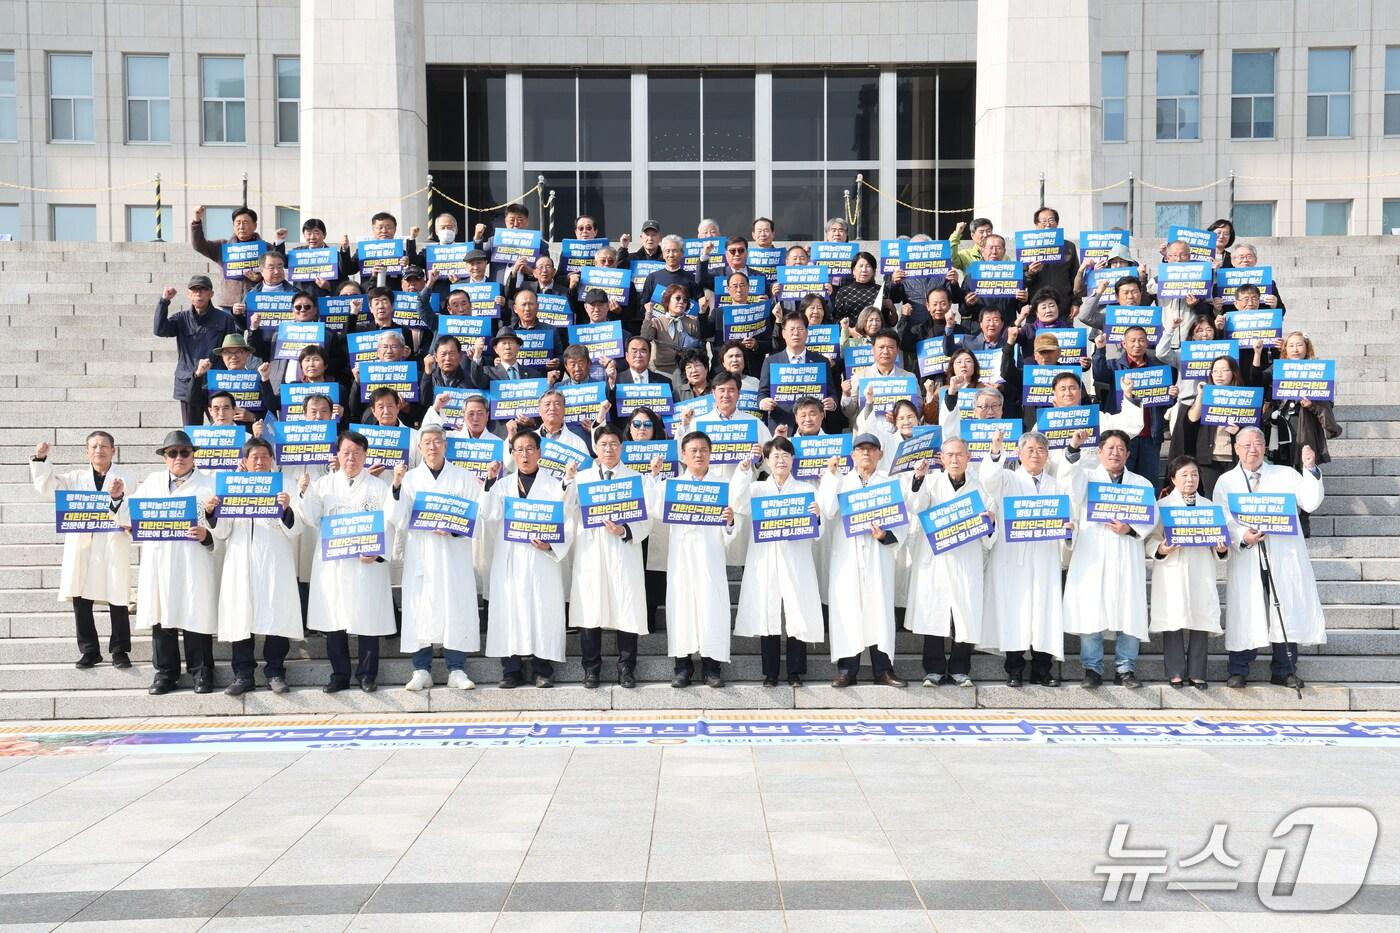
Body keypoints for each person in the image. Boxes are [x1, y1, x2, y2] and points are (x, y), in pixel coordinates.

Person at [1216, 428, 1327, 689]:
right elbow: (1224, 518)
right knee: (1246, 608)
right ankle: (1239, 669)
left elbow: (1310, 502)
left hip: (1283, 553)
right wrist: (1243, 535)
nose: (1252, 449)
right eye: (1246, 445)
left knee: (1285, 605)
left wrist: (1310, 469)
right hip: (1248, 553)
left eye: (1257, 444)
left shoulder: (1286, 474)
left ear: (1265, 447)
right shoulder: (1226, 481)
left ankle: (1284, 669)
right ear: (1236, 449)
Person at [390, 425, 491, 692]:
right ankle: (421, 669)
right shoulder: (410, 479)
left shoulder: (463, 477)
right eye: (427, 443)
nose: (433, 447)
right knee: (420, 611)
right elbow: (398, 518)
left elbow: (476, 516)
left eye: (437, 442)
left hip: (453, 555)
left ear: (445, 445)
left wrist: (454, 527)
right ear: (420, 448)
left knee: (454, 609)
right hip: (422, 555)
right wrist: (397, 485)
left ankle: (456, 669)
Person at [120, 430, 219, 695]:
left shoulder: (209, 484)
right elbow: (130, 513)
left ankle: (202, 672)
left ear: (193, 455)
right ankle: (165, 673)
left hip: (193, 559)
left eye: (184, 452)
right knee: (161, 615)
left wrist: (208, 534)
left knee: (195, 613)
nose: (179, 458)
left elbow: (225, 527)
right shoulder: (152, 482)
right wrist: (121, 504)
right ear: (164, 458)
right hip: (160, 559)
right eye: (172, 453)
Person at [296, 430, 396, 693]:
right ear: (337, 455)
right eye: (346, 452)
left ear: (365, 455)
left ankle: (367, 675)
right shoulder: (324, 485)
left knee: (368, 618)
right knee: (334, 619)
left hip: (366, 563)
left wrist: (378, 551)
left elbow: (389, 523)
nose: (351, 458)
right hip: (334, 564)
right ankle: (339, 674)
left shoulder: (378, 487)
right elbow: (310, 518)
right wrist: (304, 493)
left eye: (357, 452)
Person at [30, 434, 134, 669]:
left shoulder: (127, 477)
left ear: (114, 450)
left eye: (104, 446)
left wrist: (117, 498)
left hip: (112, 542)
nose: (99, 450)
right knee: (80, 598)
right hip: (82, 544)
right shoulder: (75, 478)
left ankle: (120, 650)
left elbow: (130, 510)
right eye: (94, 446)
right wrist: (40, 459)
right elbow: (49, 488)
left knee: (117, 598)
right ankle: (89, 650)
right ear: (86, 452)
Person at [1062, 429, 1155, 688]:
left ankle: (1125, 668)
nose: (1115, 453)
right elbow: (1069, 482)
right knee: (1091, 611)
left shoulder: (1141, 484)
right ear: (1100, 452)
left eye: (1120, 449)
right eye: (1110, 448)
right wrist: (1073, 448)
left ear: (1128, 454)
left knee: (1129, 610)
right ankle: (1092, 668)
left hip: (1126, 553)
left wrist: (1131, 528)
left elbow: (1151, 516)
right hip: (1093, 553)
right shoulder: (1087, 477)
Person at [210, 437, 302, 696]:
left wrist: (286, 510)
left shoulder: (285, 485)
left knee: (275, 613)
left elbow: (297, 529)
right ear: (245, 461)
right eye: (254, 457)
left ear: (272, 459)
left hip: (274, 560)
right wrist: (212, 512)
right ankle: (243, 674)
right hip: (240, 560)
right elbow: (223, 531)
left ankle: (275, 671)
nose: (260, 462)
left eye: (264, 457)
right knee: (241, 615)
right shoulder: (232, 486)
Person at [646, 431, 738, 688]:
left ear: (710, 454)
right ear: (683, 456)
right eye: (693, 451)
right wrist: (654, 476)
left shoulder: (722, 486)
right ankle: (682, 666)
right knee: (681, 608)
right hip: (682, 557)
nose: (698, 455)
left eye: (703, 450)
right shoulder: (671, 486)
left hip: (710, 556)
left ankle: (712, 667)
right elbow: (654, 509)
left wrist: (730, 519)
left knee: (712, 608)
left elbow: (731, 530)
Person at [978, 430, 1070, 686]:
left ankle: (1043, 670)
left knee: (1045, 610)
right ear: (1018, 454)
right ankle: (1014, 669)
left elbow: (1067, 517)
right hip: (1012, 559)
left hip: (1044, 557)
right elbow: (988, 479)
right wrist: (996, 449)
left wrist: (1068, 530)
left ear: (1047, 455)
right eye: (1029, 450)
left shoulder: (1057, 485)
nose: (1035, 455)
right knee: (1014, 611)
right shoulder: (1007, 479)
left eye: (1041, 450)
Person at [483, 430, 572, 688]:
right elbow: (488, 514)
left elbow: (567, 519)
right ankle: (511, 670)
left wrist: (551, 545)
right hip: (510, 559)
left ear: (539, 453)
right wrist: (489, 482)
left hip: (541, 557)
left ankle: (542, 668)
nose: (525, 454)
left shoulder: (555, 486)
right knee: (510, 612)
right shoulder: (501, 485)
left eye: (530, 448)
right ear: (512, 454)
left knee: (542, 611)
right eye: (519, 449)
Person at [818, 433, 907, 687]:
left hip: (878, 555)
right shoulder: (840, 482)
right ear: (853, 455)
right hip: (847, 557)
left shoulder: (890, 484)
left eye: (871, 448)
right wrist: (831, 475)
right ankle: (848, 670)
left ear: (880, 453)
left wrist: (885, 535)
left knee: (879, 610)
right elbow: (827, 509)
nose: (866, 453)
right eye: (860, 449)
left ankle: (884, 670)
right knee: (848, 611)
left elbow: (902, 524)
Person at [732, 437, 822, 687]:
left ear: (793, 460)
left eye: (785, 455)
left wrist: (817, 518)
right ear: (767, 461)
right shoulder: (757, 489)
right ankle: (770, 673)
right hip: (766, 558)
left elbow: (818, 531)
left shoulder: (805, 489)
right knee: (767, 613)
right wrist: (743, 470)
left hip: (796, 557)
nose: (781, 460)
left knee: (797, 612)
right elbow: (737, 502)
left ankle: (795, 672)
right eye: (775, 456)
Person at [567, 424, 651, 688]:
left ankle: (627, 667)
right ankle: (591, 668)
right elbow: (566, 511)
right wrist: (567, 481)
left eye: (614, 444)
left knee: (627, 608)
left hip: (623, 550)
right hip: (591, 552)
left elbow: (647, 519)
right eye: (603, 444)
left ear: (621, 447)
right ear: (595, 448)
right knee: (591, 609)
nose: (609, 449)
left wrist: (625, 529)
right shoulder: (581, 479)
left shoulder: (636, 478)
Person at [905, 436, 992, 686]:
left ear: (968, 457)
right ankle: (933, 669)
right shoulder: (931, 483)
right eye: (949, 455)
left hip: (966, 558)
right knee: (935, 612)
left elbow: (990, 526)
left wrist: (990, 522)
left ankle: (960, 669)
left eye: (959, 454)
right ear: (941, 459)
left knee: (964, 614)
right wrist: (918, 479)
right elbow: (916, 505)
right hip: (936, 560)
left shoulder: (980, 487)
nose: (954, 459)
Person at [1146, 456, 1229, 689]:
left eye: (1194, 474)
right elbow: (1151, 540)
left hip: (1201, 569)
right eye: (1184, 475)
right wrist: (1162, 548)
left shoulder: (1210, 507)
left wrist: (1221, 548)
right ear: (1173, 479)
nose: (1190, 479)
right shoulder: (1162, 507)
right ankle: (1175, 672)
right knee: (1173, 620)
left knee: (1200, 619)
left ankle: (1197, 673)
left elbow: (1219, 543)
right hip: (1172, 569)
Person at [155, 276, 241, 426]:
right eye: (194, 290)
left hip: (215, 383)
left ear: (211, 294)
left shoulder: (224, 319)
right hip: (188, 382)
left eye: (203, 290)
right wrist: (164, 301)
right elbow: (160, 330)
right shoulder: (181, 318)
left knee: (222, 428)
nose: (198, 294)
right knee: (192, 435)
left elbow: (232, 349)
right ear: (188, 295)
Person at [190, 205, 280, 314]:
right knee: (231, 331)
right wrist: (196, 220)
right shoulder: (222, 246)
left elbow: (277, 273)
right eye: (237, 223)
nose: (241, 227)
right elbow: (199, 245)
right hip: (230, 306)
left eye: (245, 223)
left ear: (255, 226)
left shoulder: (267, 248)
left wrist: (260, 277)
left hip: (258, 303)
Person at [641, 283, 703, 374]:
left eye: (685, 300)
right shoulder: (657, 322)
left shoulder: (693, 322)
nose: (681, 302)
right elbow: (645, 338)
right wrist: (648, 313)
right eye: (678, 298)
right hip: (661, 370)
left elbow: (698, 350)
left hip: (686, 371)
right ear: (667, 300)